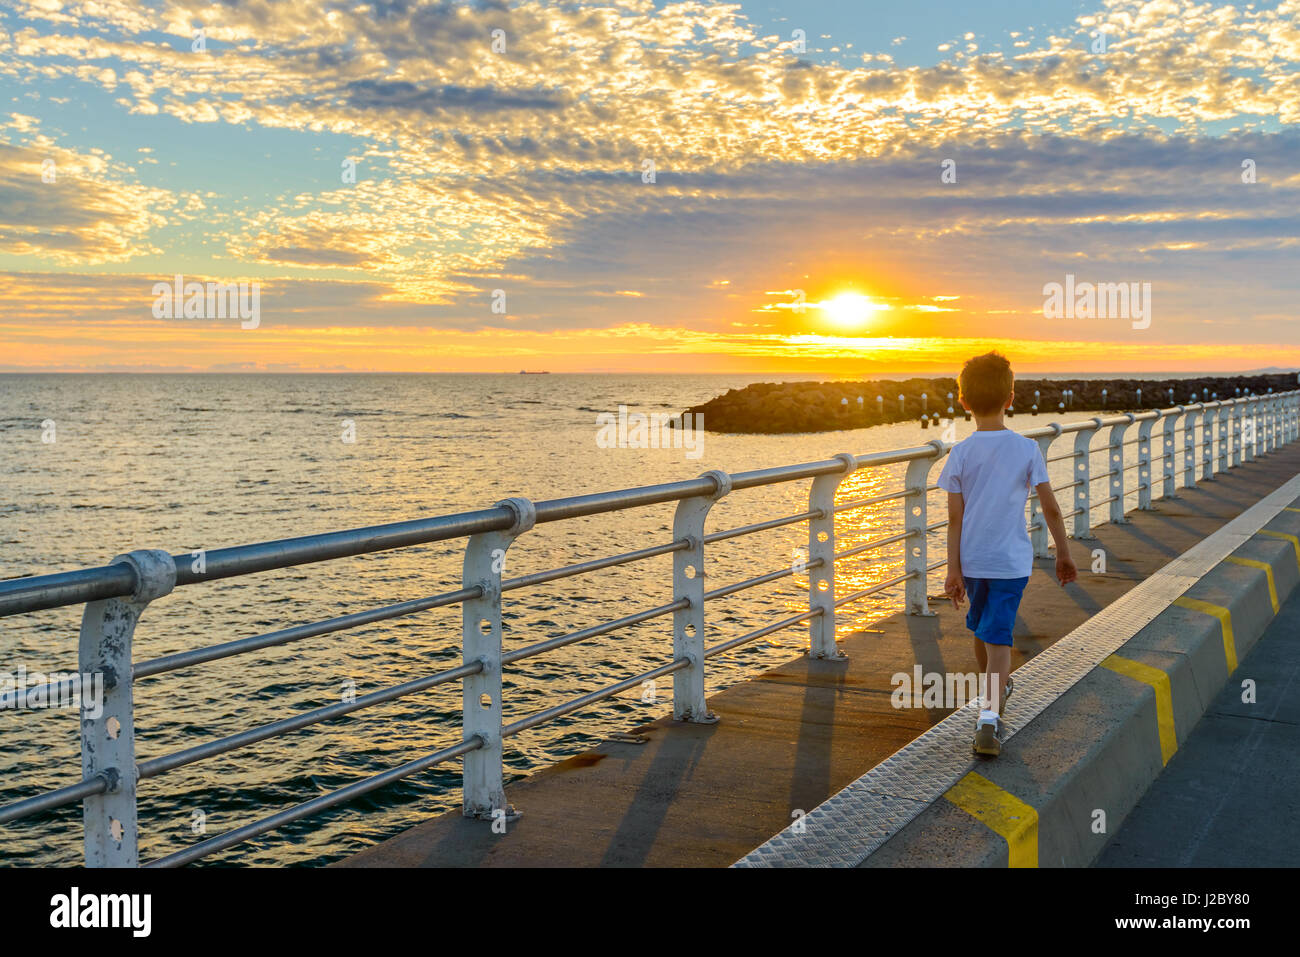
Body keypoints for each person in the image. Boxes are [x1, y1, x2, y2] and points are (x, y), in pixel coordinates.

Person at [937, 352, 1077, 757]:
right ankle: (992, 705)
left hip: (974, 560)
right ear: (1011, 398)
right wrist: (1063, 553)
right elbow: (1050, 507)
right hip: (1011, 562)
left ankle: (989, 712)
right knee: (987, 631)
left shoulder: (960, 453)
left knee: (991, 634)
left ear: (963, 401)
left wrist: (953, 570)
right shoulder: (1027, 449)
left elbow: (953, 520)